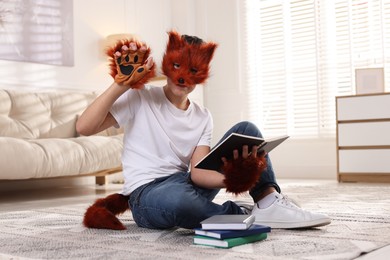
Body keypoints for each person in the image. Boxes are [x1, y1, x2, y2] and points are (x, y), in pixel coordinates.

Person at [77, 31, 331, 230]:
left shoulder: (202, 115)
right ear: (167, 65)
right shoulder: (140, 98)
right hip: (148, 194)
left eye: (193, 71)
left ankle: (267, 202)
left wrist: (237, 178)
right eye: (177, 67)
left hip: (186, 182)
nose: (183, 78)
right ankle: (240, 214)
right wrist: (120, 85)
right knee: (180, 202)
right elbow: (84, 127)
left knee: (247, 129)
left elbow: (198, 174)